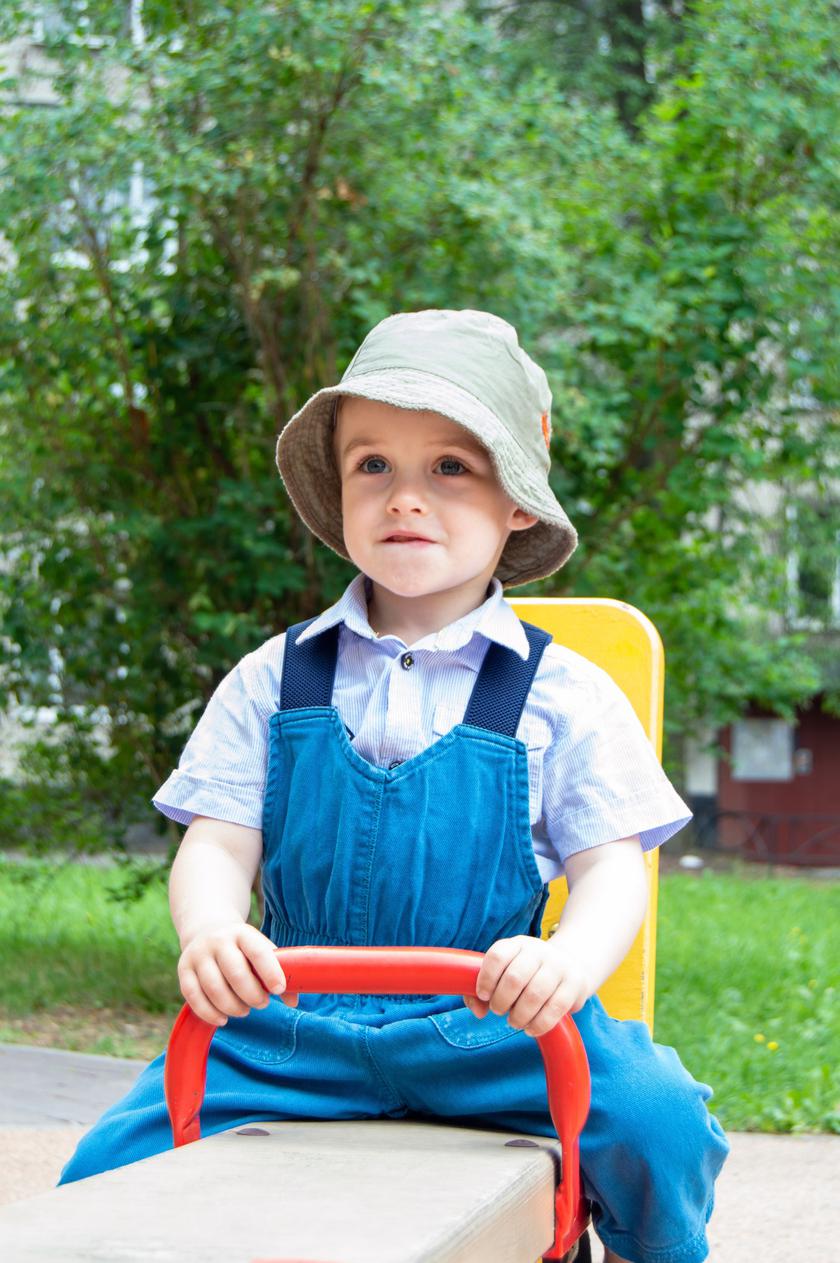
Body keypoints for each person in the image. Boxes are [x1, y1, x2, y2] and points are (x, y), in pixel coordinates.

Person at [60, 309, 728, 1263]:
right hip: (295, 1030)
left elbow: (613, 867)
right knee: (103, 1170)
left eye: (450, 467)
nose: (405, 497)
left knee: (658, 1117)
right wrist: (211, 930)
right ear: (340, 493)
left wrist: (567, 964)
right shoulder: (274, 676)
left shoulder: (563, 693)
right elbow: (217, 840)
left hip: (492, 1030)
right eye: (373, 465)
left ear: (520, 503)